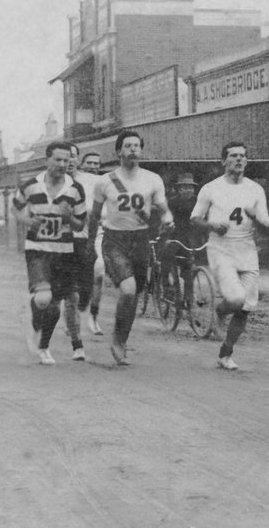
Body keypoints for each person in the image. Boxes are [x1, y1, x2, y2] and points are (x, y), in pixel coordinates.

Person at [87, 130, 173, 365]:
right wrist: (89, 245)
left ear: (141, 150)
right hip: (115, 240)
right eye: (128, 145)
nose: (133, 149)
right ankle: (116, 336)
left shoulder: (153, 179)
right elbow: (94, 216)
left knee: (134, 294)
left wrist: (166, 219)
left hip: (141, 241)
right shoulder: (105, 181)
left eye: (136, 145)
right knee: (127, 289)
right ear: (118, 151)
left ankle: (122, 337)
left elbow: (163, 208)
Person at [191, 141, 269, 371]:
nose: (239, 159)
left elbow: (268, 226)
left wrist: (255, 217)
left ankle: (225, 354)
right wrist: (212, 225)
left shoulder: (255, 189)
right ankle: (219, 311)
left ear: (247, 161)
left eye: (243, 156)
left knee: (246, 307)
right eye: (233, 156)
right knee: (235, 299)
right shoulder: (211, 188)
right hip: (220, 249)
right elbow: (195, 218)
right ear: (223, 161)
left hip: (247, 250)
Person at [13, 140, 87, 365]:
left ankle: (44, 346)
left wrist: (68, 217)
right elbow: (16, 209)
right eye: (58, 159)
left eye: (67, 160)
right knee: (44, 299)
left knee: (55, 307)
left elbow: (80, 225)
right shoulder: (30, 185)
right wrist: (27, 220)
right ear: (47, 160)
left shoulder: (75, 189)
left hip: (64, 252)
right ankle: (35, 321)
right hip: (37, 250)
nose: (63, 164)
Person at [71, 149, 106, 335]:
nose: (93, 167)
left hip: (97, 232)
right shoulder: (75, 180)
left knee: (99, 273)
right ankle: (73, 315)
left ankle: (93, 316)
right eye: (89, 163)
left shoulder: (102, 182)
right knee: (75, 280)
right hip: (74, 232)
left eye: (96, 164)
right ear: (82, 164)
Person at [160, 173, 204, 309]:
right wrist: (168, 225)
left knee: (188, 268)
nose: (188, 190)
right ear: (178, 189)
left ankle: (189, 298)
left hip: (190, 237)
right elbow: (165, 217)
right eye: (184, 187)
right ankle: (167, 288)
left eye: (190, 188)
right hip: (174, 235)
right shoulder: (172, 202)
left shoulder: (198, 201)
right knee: (166, 257)